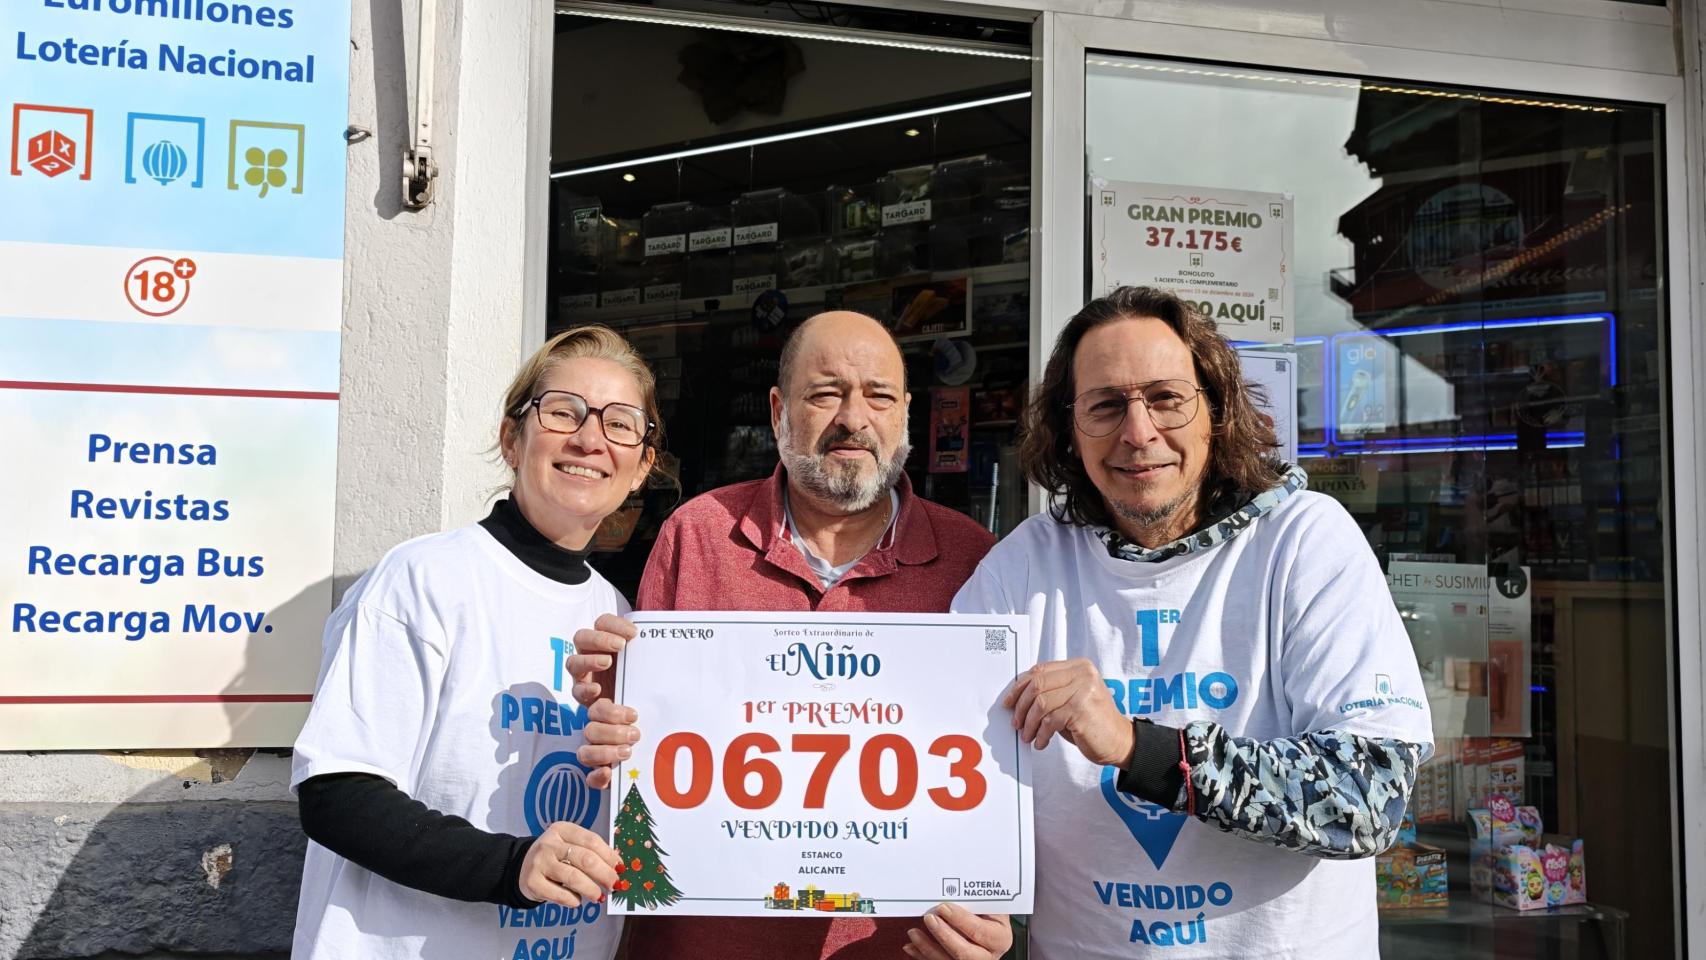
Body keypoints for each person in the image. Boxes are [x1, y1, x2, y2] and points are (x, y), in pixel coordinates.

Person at [950, 286, 1434, 957]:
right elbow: (951, 763)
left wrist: (1136, 748)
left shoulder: (1303, 541)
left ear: (1217, 409)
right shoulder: (1024, 565)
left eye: (1166, 398)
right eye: (1105, 405)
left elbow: (1366, 799)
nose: (1138, 432)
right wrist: (975, 900)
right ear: (1069, 428)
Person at [566, 310, 1012, 960]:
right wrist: (618, 727)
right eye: (826, 393)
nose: (854, 419)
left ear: (906, 414)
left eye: (879, 396)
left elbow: (994, 784)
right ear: (778, 411)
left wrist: (988, 919)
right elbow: (645, 751)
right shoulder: (698, 534)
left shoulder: (974, 559)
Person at [289, 326, 668, 960]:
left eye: (620, 423)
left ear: (641, 468)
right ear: (511, 438)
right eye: (563, 412)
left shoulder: (621, 619)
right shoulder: (425, 578)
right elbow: (337, 794)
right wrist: (512, 867)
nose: (589, 438)